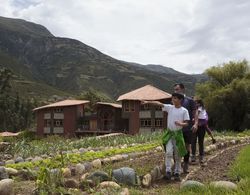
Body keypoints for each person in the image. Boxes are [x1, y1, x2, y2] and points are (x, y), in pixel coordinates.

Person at [143, 92, 189, 181]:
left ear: (180, 100)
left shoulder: (184, 111)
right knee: (168, 152)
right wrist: (148, 102)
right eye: (172, 98)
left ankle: (177, 173)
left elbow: (187, 123)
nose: (173, 100)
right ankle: (168, 172)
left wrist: (180, 123)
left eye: (175, 98)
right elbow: (159, 104)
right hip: (169, 134)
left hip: (178, 135)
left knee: (178, 155)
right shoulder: (170, 108)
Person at [173, 83, 196, 173]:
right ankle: (176, 166)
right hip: (176, 129)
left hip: (187, 128)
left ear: (182, 89)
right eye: (175, 90)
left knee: (187, 146)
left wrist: (196, 124)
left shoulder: (189, 101)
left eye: (177, 89)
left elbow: (195, 113)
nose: (176, 91)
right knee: (176, 147)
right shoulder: (174, 101)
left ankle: (186, 164)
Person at [191, 99, 213, 164]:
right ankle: (193, 156)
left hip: (200, 127)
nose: (195, 104)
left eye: (196, 103)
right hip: (196, 126)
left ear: (199, 103)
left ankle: (201, 157)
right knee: (193, 141)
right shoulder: (195, 109)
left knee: (200, 142)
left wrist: (195, 120)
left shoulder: (201, 109)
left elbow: (198, 115)